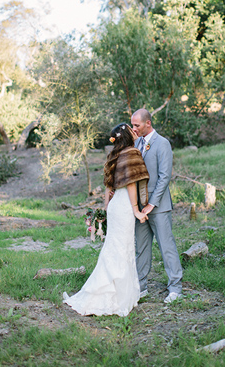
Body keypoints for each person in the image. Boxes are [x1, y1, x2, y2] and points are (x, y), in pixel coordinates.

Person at [63, 123, 150, 317]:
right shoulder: (132, 153)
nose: (134, 130)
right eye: (131, 128)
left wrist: (106, 207)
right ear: (127, 135)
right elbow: (131, 184)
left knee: (115, 247)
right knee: (122, 249)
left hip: (115, 206)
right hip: (126, 204)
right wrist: (136, 210)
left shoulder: (115, 155)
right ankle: (116, 296)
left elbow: (108, 187)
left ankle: (118, 292)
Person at [131, 108, 183, 304]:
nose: (134, 128)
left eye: (137, 125)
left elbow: (164, 177)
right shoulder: (136, 143)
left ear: (148, 124)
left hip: (158, 206)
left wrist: (152, 204)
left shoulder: (162, 144)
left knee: (166, 246)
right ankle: (140, 287)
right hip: (139, 209)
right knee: (141, 248)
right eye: (133, 125)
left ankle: (176, 288)